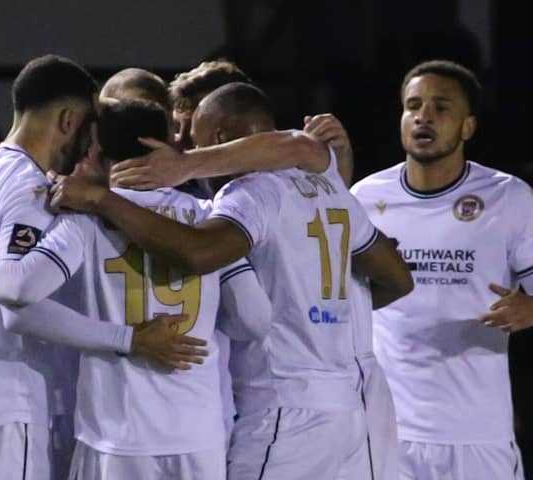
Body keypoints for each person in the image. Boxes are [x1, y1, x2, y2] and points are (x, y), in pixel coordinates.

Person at [47, 82, 414, 479]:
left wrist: (103, 199)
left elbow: (199, 253)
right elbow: (397, 280)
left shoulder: (250, 193)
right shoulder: (330, 189)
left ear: (219, 137)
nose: (185, 147)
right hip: (356, 409)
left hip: (286, 409)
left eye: (193, 138)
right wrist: (323, 311)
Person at [0, 55, 201, 480]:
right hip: (9, 400)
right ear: (69, 120)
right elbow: (19, 304)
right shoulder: (34, 189)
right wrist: (128, 339)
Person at [0, 98, 271, 480]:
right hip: (198, 436)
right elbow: (255, 319)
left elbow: (22, 292)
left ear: (97, 150)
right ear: (165, 147)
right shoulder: (207, 219)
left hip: (115, 437)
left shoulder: (86, 220)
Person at [350, 59, 533, 480]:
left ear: (468, 126)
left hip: (476, 434)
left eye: (441, 106)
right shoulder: (364, 198)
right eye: (413, 105)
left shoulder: (508, 197)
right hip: (386, 430)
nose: (423, 116)